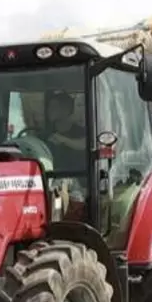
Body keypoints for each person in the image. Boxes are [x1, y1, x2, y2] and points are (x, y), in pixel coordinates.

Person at [45, 91, 87, 221]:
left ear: (66, 110)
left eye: (55, 107)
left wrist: (63, 140)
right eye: (49, 107)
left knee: (61, 185)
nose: (49, 110)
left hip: (80, 183)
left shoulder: (81, 131)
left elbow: (85, 144)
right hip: (50, 180)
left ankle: (57, 222)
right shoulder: (45, 133)